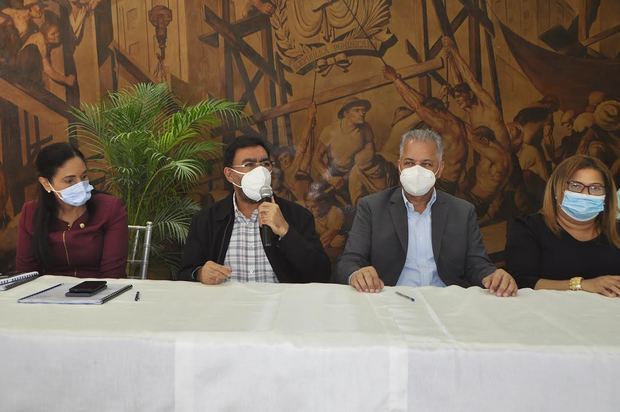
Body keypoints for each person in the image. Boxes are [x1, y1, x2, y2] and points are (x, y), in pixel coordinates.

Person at [336, 129, 517, 296]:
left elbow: (477, 264)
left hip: (447, 301)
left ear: (440, 169)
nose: (417, 170)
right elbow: (349, 261)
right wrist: (356, 273)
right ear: (399, 166)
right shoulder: (372, 207)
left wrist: (493, 276)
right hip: (392, 301)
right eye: (409, 163)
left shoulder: (462, 211)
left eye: (426, 164)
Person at [178, 136, 330, 284]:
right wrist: (199, 273)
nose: (260, 172)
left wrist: (286, 231)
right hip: (227, 306)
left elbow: (321, 274)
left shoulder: (297, 216)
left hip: (280, 306)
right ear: (230, 175)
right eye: (249, 164)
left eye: (265, 164)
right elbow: (185, 273)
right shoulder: (206, 220)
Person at [506, 155, 620, 297]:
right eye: (576, 186)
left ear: (607, 195)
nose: (585, 194)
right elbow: (522, 282)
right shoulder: (528, 228)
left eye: (595, 188)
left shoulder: (616, 231)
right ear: (556, 189)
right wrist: (583, 285)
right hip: (548, 314)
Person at [16, 142, 128, 277]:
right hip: (49, 294)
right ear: (46, 183)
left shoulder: (109, 208)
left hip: (100, 291)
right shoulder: (31, 212)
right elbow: (26, 274)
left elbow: (113, 275)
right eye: (70, 181)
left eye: (84, 176)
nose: (80, 185)